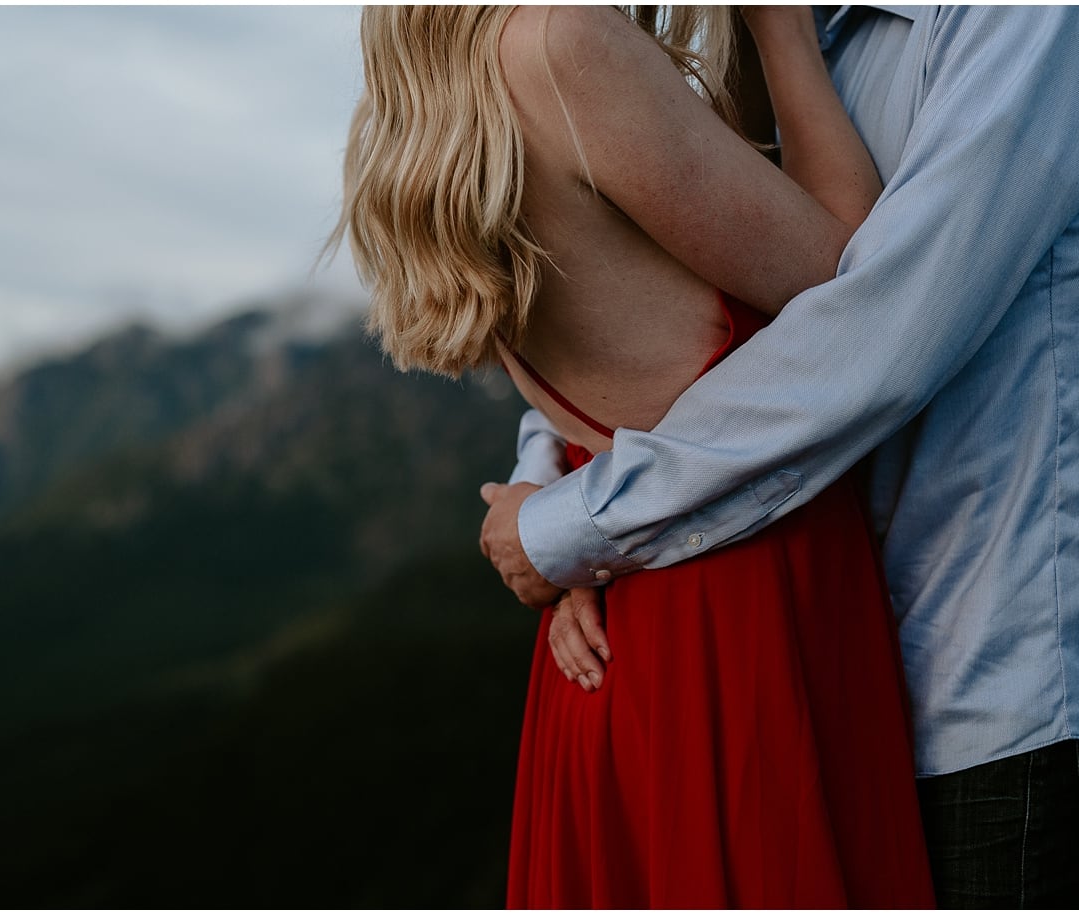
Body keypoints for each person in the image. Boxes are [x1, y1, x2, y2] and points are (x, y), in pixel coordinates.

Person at [475, 5, 1079, 908]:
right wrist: (552, 476)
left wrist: (579, 522)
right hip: (804, 665)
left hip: (985, 687)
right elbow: (652, 311)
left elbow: (883, 332)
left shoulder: (1043, 17)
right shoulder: (782, 29)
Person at [336, 5, 933, 906]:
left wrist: (551, 503)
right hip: (743, 622)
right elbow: (848, 285)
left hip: (618, 619)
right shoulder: (569, 45)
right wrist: (779, 27)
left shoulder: (443, 93)